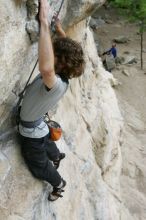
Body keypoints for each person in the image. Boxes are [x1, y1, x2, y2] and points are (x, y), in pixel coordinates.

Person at [18, 0, 85, 201]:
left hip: (32, 132)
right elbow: (74, 53)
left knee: (38, 164)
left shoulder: (53, 82)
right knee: (45, 140)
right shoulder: (68, 74)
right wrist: (60, 29)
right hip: (38, 125)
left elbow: (46, 67)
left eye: (54, 54)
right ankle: (56, 156)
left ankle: (58, 183)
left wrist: (45, 22)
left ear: (60, 62)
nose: (50, 54)